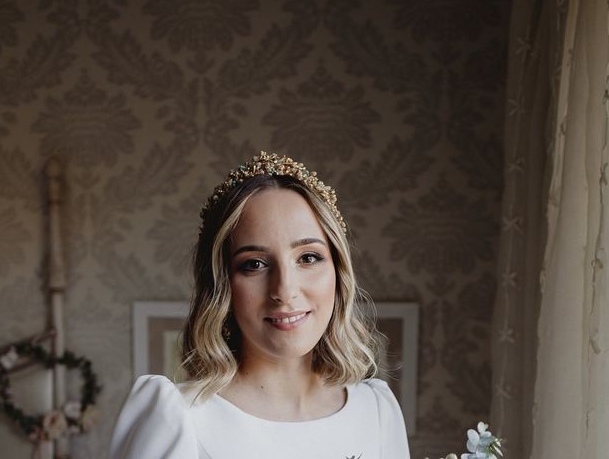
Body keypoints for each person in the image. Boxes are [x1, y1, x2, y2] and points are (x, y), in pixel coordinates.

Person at [109, 152, 410, 458]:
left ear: (338, 270)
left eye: (308, 257)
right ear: (222, 284)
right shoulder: (179, 417)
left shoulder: (376, 410)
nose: (284, 290)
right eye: (254, 264)